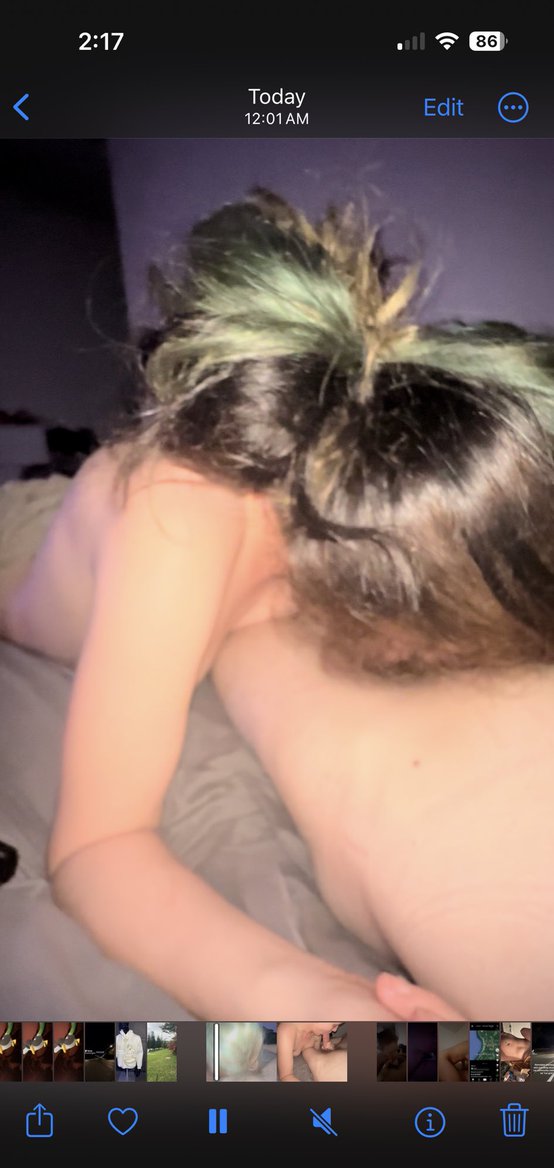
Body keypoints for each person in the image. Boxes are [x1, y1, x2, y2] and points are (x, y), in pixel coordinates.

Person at [2, 187, 554, 1018]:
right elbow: (98, 846)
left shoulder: (366, 481)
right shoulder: (180, 527)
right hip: (25, 537)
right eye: (451, 643)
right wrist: (299, 993)